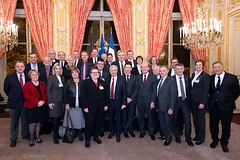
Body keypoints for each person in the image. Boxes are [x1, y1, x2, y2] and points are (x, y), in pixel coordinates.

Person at [208, 62, 240, 153]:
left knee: (226, 126)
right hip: (213, 106)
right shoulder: (211, 78)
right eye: (215, 67)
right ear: (213, 69)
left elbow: (237, 92)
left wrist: (229, 100)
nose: (217, 69)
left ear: (222, 67)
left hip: (227, 107)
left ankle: (224, 142)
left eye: (218, 67)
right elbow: (209, 91)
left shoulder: (232, 78)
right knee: (213, 125)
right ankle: (215, 140)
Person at [81, 67, 109, 148]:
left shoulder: (102, 82)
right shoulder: (85, 83)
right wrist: (85, 106)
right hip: (89, 107)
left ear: (98, 73)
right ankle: (87, 139)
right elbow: (83, 96)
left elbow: (106, 95)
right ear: (90, 74)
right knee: (89, 124)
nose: (95, 74)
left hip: (100, 107)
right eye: (93, 72)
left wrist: (106, 105)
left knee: (98, 123)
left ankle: (96, 137)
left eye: (96, 72)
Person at [4, 60, 29, 148]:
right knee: (14, 122)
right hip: (14, 103)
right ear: (15, 67)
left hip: (26, 102)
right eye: (18, 66)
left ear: (24, 67)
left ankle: (25, 134)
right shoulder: (9, 77)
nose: (20, 68)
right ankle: (13, 138)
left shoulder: (28, 76)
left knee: (25, 120)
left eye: (21, 66)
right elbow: (6, 89)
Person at [22, 70, 47, 147]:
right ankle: (31, 138)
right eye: (33, 75)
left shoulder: (43, 84)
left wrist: (42, 101)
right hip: (31, 106)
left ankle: (37, 136)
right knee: (32, 123)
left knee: (38, 122)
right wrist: (37, 102)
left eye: (36, 74)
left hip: (40, 106)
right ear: (30, 76)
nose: (35, 76)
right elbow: (26, 96)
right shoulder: (27, 85)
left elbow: (45, 94)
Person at [172, 63, 193, 147]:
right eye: (178, 69)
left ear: (183, 69)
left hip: (185, 102)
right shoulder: (171, 79)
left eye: (181, 69)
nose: (179, 70)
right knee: (175, 120)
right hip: (176, 101)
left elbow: (191, 91)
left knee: (187, 121)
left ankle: (188, 138)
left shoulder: (188, 78)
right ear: (175, 70)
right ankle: (177, 137)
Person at [156, 65, 177, 146]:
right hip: (160, 106)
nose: (161, 72)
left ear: (167, 71)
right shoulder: (159, 80)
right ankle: (165, 135)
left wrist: (171, 108)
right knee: (162, 122)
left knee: (168, 123)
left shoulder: (171, 81)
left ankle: (169, 138)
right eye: (160, 71)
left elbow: (173, 95)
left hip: (167, 107)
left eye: (163, 70)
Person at [191, 60, 210, 145]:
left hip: (200, 102)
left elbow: (206, 90)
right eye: (197, 65)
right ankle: (197, 135)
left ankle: (201, 138)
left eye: (200, 65)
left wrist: (203, 102)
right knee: (195, 119)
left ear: (203, 66)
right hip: (193, 101)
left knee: (201, 120)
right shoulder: (193, 74)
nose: (198, 66)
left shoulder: (205, 76)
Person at [63, 67, 85, 141]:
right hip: (71, 104)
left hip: (80, 104)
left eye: (76, 72)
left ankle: (80, 133)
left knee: (80, 120)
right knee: (71, 120)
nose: (74, 74)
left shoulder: (83, 82)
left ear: (79, 73)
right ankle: (73, 133)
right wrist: (66, 103)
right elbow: (65, 94)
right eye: (73, 73)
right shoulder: (68, 82)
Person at [106, 65, 127, 143]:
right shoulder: (107, 79)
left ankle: (118, 133)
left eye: (115, 70)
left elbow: (124, 92)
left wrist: (124, 103)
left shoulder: (122, 79)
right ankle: (112, 132)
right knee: (110, 118)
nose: (113, 72)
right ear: (109, 71)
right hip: (110, 102)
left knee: (118, 118)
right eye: (112, 70)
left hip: (119, 102)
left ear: (117, 71)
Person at [137, 63, 157, 140]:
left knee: (150, 118)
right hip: (140, 101)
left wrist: (152, 101)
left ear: (149, 68)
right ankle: (142, 131)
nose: (144, 68)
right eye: (142, 67)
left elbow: (154, 91)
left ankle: (151, 132)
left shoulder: (153, 77)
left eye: (146, 67)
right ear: (141, 69)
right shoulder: (138, 77)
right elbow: (136, 89)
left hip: (149, 102)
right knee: (141, 117)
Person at [47, 63, 65, 144]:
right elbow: (48, 90)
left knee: (58, 119)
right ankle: (55, 137)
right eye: (56, 68)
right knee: (55, 119)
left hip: (60, 102)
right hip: (54, 101)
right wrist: (50, 102)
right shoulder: (51, 78)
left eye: (59, 69)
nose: (58, 70)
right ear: (53, 70)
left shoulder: (62, 78)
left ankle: (57, 134)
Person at [122, 63, 138, 138]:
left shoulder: (135, 77)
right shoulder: (120, 77)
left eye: (129, 68)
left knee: (131, 116)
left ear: (131, 68)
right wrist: (125, 98)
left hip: (132, 100)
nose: (127, 69)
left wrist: (131, 98)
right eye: (126, 68)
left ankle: (131, 130)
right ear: (124, 68)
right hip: (123, 100)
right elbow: (120, 90)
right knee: (124, 116)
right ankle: (125, 131)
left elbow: (136, 89)